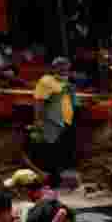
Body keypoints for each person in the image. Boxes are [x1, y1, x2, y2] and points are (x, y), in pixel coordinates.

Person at [33, 57, 78, 188]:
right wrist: (38, 120)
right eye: (60, 66)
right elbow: (39, 101)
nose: (63, 68)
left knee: (61, 152)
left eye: (66, 66)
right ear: (54, 68)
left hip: (66, 122)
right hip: (51, 122)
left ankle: (57, 181)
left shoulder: (67, 82)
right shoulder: (46, 80)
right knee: (50, 152)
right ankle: (49, 183)